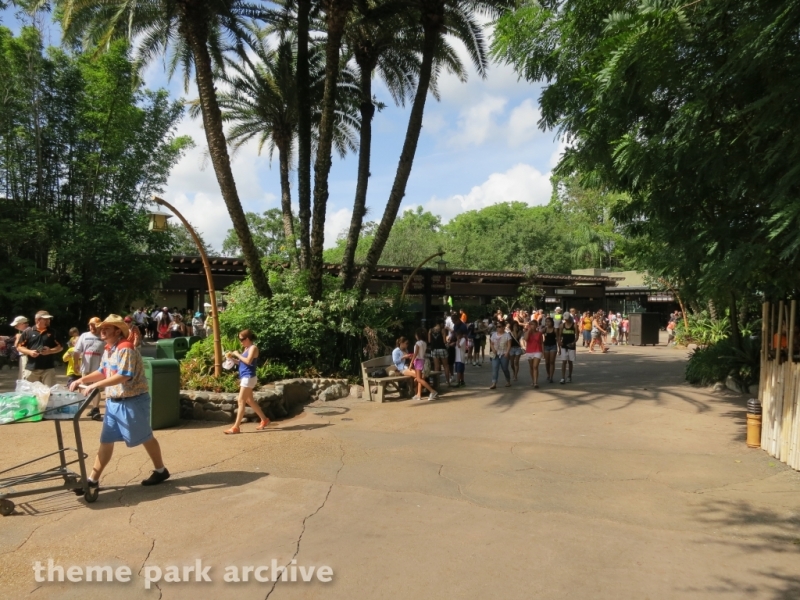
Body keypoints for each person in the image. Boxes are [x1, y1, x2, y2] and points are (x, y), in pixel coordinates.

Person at [69, 314, 170, 487]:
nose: (102, 330)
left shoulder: (125, 348)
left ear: (117, 331)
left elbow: (124, 375)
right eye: (101, 328)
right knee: (106, 441)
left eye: (106, 328)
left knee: (145, 437)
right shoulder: (109, 348)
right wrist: (81, 380)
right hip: (114, 402)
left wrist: (95, 386)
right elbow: (103, 371)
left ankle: (161, 470)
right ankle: (92, 480)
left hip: (132, 401)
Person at [223, 329, 271, 434]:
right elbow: (242, 362)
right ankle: (264, 419)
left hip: (248, 377)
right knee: (249, 400)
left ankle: (236, 427)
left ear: (248, 338)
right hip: (246, 377)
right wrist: (232, 359)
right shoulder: (246, 348)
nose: (240, 341)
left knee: (241, 401)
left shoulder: (253, 348)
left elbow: (248, 361)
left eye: (242, 339)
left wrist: (237, 354)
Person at [17, 311, 62, 386]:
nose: (48, 321)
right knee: (31, 392)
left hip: (48, 368)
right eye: (46, 319)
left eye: (49, 319)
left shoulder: (53, 332)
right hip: (31, 368)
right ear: (38, 320)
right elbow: (19, 347)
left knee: (49, 391)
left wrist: (50, 351)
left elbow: (60, 347)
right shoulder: (28, 332)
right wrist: (29, 352)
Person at [74, 317, 106, 420]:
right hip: (86, 367)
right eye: (91, 325)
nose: (92, 327)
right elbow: (77, 351)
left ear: (99, 326)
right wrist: (75, 363)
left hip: (99, 368)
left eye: (95, 325)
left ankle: (95, 409)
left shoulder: (104, 336)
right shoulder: (84, 336)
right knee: (84, 387)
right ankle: (81, 408)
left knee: (96, 388)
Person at [411, 328, 438, 401]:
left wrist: (411, 362)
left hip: (418, 360)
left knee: (418, 379)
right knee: (420, 378)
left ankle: (432, 391)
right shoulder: (424, 343)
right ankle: (418, 394)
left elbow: (415, 353)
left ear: (418, 335)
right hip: (422, 360)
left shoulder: (418, 343)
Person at [428, 320, 452, 387]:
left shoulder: (430, 330)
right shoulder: (442, 330)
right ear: (440, 323)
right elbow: (444, 341)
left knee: (436, 366)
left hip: (434, 350)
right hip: (442, 349)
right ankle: (447, 382)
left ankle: (437, 382)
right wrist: (448, 342)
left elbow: (429, 341)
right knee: (445, 366)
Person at [489, 321, 512, 390]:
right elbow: (491, 343)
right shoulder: (494, 335)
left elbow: (509, 345)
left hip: (504, 354)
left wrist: (507, 352)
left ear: (503, 327)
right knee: (495, 368)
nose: (498, 328)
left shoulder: (507, 335)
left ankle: (508, 380)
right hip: (495, 354)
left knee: (505, 368)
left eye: (499, 327)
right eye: (497, 327)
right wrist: (493, 349)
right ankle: (494, 383)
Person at [521, 319, 544, 388]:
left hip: (538, 351)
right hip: (529, 351)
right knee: (531, 367)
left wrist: (543, 352)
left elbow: (541, 343)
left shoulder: (539, 333)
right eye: (530, 324)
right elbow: (525, 339)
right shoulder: (527, 332)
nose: (532, 326)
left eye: (533, 324)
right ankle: (533, 380)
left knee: (535, 366)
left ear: (536, 326)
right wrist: (529, 331)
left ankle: (535, 382)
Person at [558, 314, 578, 384]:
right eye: (565, 319)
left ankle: (569, 376)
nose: (566, 320)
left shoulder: (574, 325)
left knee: (570, 362)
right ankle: (563, 377)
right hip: (564, 345)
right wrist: (559, 342)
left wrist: (574, 342)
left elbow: (577, 336)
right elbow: (559, 335)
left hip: (571, 346)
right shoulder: (562, 325)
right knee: (564, 362)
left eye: (567, 318)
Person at [10, 316, 30, 381]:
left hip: (26, 356)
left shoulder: (27, 332)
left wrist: (18, 338)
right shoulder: (28, 331)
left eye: (16, 325)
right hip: (24, 356)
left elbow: (16, 346)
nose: (15, 327)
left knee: (25, 376)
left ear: (22, 324)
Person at [542, 317, 558, 383]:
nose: (547, 323)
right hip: (546, 346)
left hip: (553, 346)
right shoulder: (544, 329)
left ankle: (551, 377)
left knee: (552, 362)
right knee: (547, 362)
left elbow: (558, 339)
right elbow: (539, 334)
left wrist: (559, 348)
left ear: (552, 322)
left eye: (549, 321)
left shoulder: (555, 329)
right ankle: (548, 374)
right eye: (546, 321)